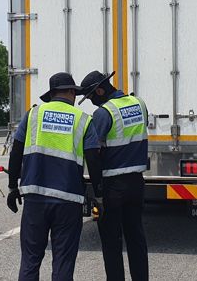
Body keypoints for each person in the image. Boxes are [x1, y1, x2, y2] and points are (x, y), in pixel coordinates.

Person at [6, 72, 103, 281]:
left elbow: (16, 152)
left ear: (52, 94)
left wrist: (13, 186)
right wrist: (99, 194)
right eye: (75, 93)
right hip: (68, 201)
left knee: (30, 260)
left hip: (35, 198)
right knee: (63, 262)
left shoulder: (32, 115)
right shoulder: (83, 119)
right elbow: (94, 161)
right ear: (70, 92)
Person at [79, 70, 149, 281]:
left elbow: (93, 151)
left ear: (100, 90)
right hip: (137, 182)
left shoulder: (104, 113)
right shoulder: (139, 103)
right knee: (136, 237)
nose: (92, 102)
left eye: (91, 97)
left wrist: (98, 191)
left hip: (112, 185)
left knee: (111, 241)